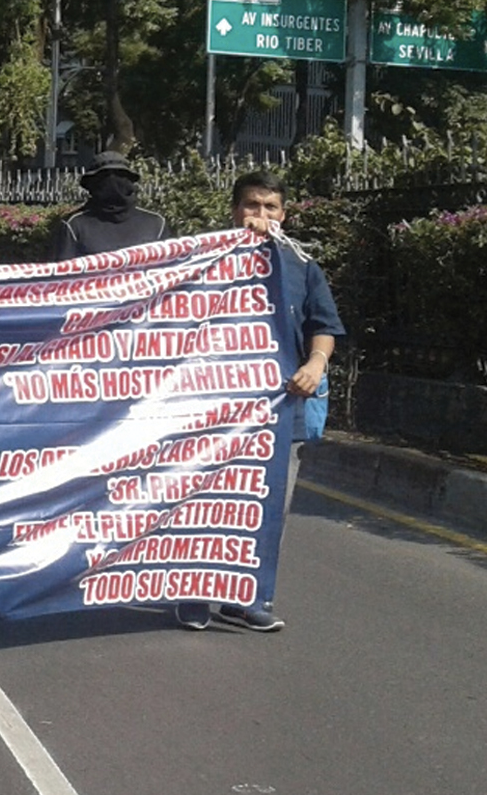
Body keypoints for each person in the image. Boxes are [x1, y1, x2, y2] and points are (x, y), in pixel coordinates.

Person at [177, 171, 343, 633]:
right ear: (235, 209)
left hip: (279, 411)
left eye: (271, 208)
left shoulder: (301, 264)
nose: (261, 216)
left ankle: (249, 599)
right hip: (216, 409)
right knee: (207, 502)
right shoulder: (204, 259)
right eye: (253, 205)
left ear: (284, 214)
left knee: (267, 506)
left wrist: (315, 364)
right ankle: (193, 595)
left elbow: (323, 324)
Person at [50, 151, 169, 259]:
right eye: (105, 177)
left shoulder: (157, 225)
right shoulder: (74, 226)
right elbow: (63, 275)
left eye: (118, 176)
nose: (112, 182)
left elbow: (169, 271)